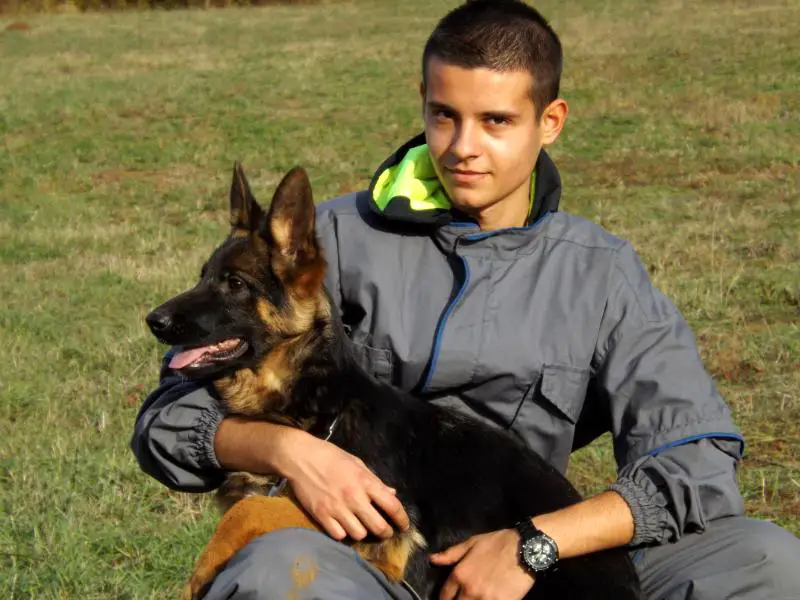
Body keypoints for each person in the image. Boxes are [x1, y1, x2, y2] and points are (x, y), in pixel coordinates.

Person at [131, 1, 800, 598]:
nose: (462, 148)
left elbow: (694, 462)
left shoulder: (601, 272)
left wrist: (535, 544)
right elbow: (167, 419)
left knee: (766, 561)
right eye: (444, 115)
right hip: (374, 564)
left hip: (540, 552)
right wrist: (290, 453)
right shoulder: (324, 245)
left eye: (496, 121)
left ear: (551, 121)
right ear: (422, 99)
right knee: (279, 569)